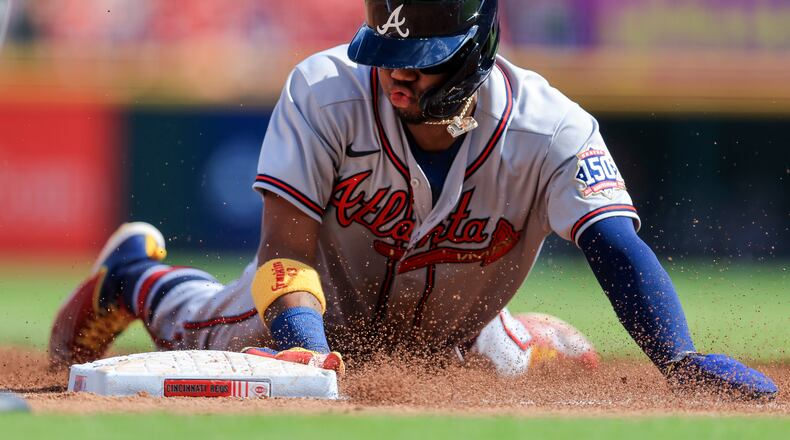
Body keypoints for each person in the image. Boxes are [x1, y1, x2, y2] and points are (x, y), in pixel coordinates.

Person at [50, 0, 776, 398]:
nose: (399, 78)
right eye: (389, 56)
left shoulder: (552, 127)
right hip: (312, 307)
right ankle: (134, 279)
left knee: (512, 360)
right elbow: (283, 252)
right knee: (206, 328)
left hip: (454, 327)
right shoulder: (324, 90)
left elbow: (616, 244)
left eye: (421, 64)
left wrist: (678, 358)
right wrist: (307, 355)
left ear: (478, 45)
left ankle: (519, 335)